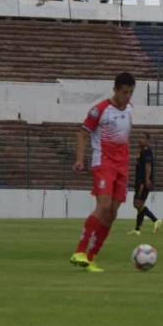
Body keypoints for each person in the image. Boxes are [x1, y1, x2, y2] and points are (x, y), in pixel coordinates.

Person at [70, 72, 136, 272]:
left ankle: (90, 257)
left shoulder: (130, 109)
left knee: (113, 212)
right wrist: (80, 159)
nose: (127, 96)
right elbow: (82, 134)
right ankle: (79, 250)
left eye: (131, 92)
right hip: (103, 162)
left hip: (121, 165)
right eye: (124, 92)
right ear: (115, 89)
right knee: (104, 205)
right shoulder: (99, 110)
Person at [129, 132, 162, 235]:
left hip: (142, 182)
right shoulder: (142, 151)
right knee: (139, 205)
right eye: (139, 137)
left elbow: (148, 165)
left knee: (137, 204)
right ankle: (137, 229)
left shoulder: (147, 151)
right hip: (139, 180)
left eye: (143, 138)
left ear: (148, 140)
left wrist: (147, 179)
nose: (140, 139)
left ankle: (155, 220)